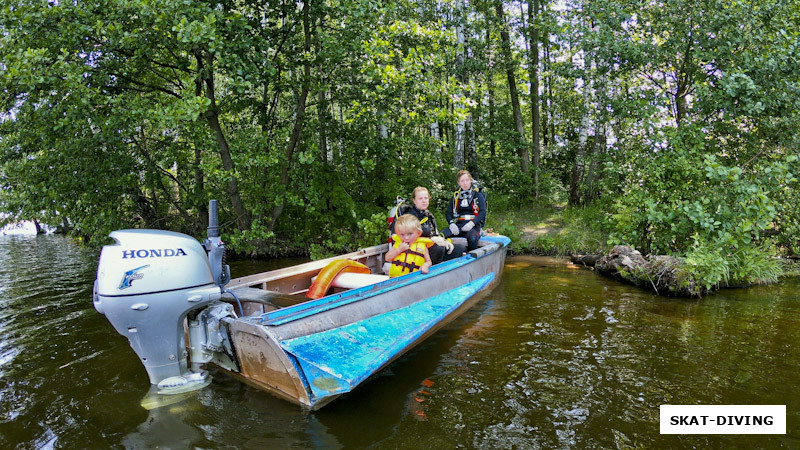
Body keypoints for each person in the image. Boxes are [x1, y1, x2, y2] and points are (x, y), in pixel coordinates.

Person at [389, 186, 466, 264]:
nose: (424, 201)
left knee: (460, 248)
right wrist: (431, 240)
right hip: (414, 249)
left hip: (429, 248)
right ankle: (432, 270)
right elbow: (407, 238)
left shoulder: (429, 215)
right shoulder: (409, 216)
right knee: (439, 248)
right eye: (420, 198)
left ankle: (445, 268)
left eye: (426, 198)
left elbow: (436, 234)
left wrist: (445, 241)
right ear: (414, 200)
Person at [442, 170, 486, 251]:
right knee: (442, 234)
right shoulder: (456, 196)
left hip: (474, 225)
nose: (465, 183)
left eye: (467, 180)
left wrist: (472, 223)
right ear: (459, 183)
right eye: (462, 181)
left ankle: (472, 259)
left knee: (472, 239)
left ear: (470, 181)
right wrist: (451, 224)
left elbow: (483, 211)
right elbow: (448, 213)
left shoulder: (477, 194)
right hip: (460, 224)